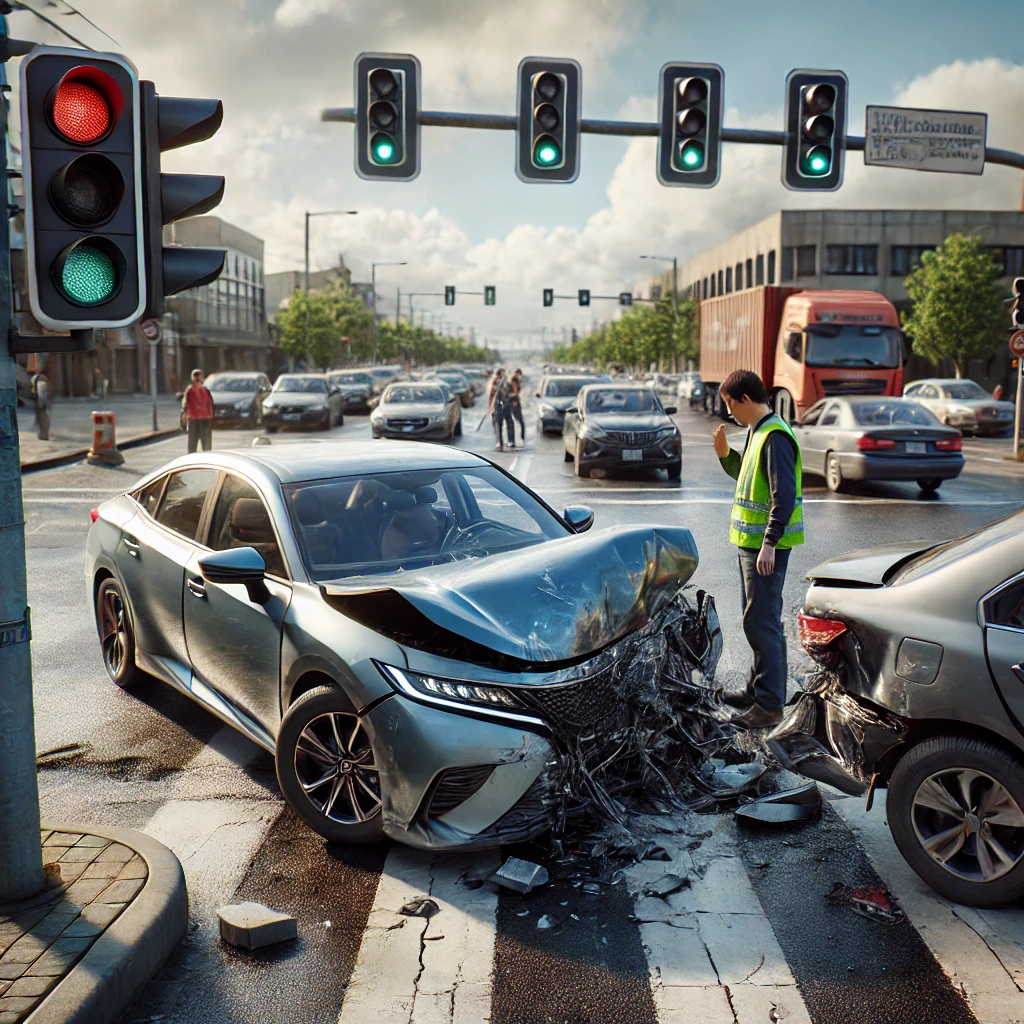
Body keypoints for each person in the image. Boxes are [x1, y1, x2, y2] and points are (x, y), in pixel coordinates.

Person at [712, 369, 803, 730]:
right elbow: (750, 479)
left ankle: (769, 706)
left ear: (744, 400)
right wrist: (725, 455)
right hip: (751, 545)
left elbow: (784, 497)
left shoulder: (775, 437)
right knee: (757, 618)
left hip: (765, 548)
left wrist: (769, 544)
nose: (730, 413)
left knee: (762, 622)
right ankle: (756, 690)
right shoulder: (758, 431)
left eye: (730, 405)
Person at [182, 368, 214, 453]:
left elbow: (185, 404)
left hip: (194, 418)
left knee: (193, 441)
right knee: (206, 443)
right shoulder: (205, 390)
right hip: (203, 418)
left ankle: (193, 457)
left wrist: (184, 415)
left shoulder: (190, 390)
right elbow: (210, 404)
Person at [31, 372, 50, 441]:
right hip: (40, 402)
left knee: (43, 418)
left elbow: (41, 393)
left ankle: (44, 434)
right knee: (41, 418)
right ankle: (43, 434)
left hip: (41, 404)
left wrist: (41, 403)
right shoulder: (36, 378)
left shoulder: (40, 379)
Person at [509, 368, 526, 445]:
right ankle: (520, 437)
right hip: (514, 402)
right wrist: (516, 400)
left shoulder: (514, 379)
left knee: (515, 421)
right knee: (519, 421)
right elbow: (515, 391)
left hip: (513, 402)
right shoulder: (514, 379)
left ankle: (516, 438)